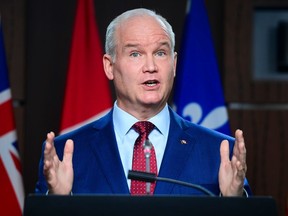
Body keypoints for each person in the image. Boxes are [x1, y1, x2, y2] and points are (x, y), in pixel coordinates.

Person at [35, 8, 251, 196]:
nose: (150, 66)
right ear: (109, 66)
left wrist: (233, 201)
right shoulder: (66, 153)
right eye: (135, 54)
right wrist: (56, 201)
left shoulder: (219, 151)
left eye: (160, 52)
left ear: (174, 64)